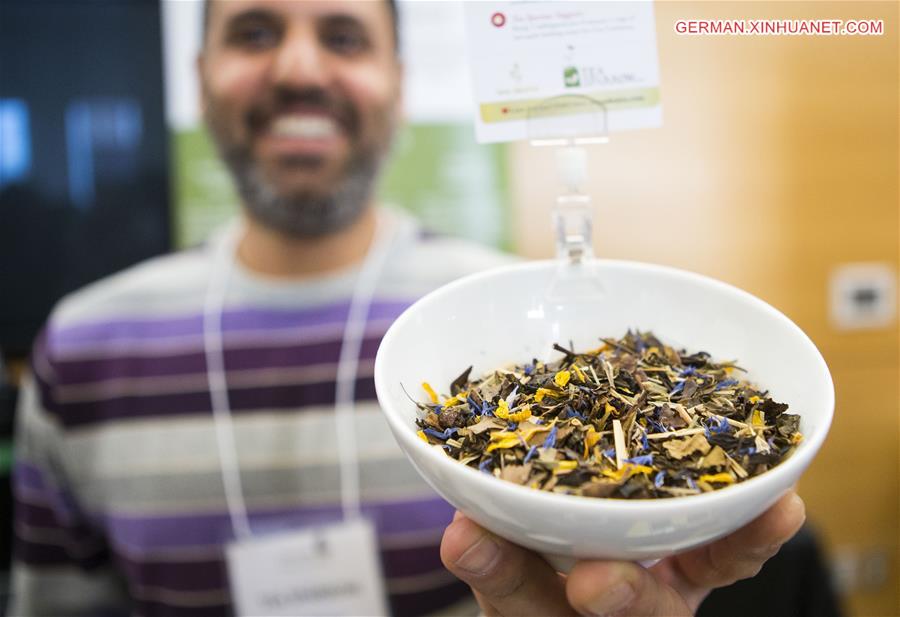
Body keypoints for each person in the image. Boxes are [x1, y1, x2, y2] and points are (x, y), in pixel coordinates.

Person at [10, 1, 805, 616]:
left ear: (399, 76)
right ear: (199, 71)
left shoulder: (512, 325)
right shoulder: (82, 348)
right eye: (253, 32)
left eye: (344, 38)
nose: (297, 67)